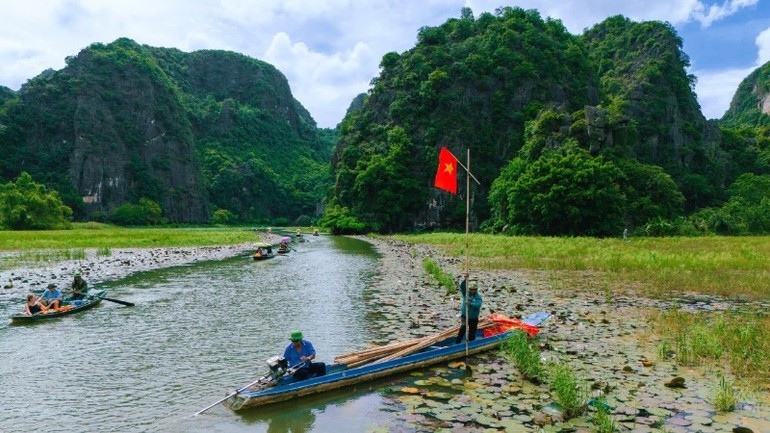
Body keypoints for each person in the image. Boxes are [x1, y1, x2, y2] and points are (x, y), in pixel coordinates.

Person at [455, 278, 483, 344]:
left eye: (474, 289)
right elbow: (462, 287)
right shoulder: (466, 294)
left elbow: (478, 305)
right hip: (465, 315)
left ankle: (471, 343)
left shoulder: (478, 297)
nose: (472, 291)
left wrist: (470, 304)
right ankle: (457, 342)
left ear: (476, 290)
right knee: (463, 327)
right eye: (471, 289)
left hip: (473, 318)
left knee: (472, 331)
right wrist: (465, 279)